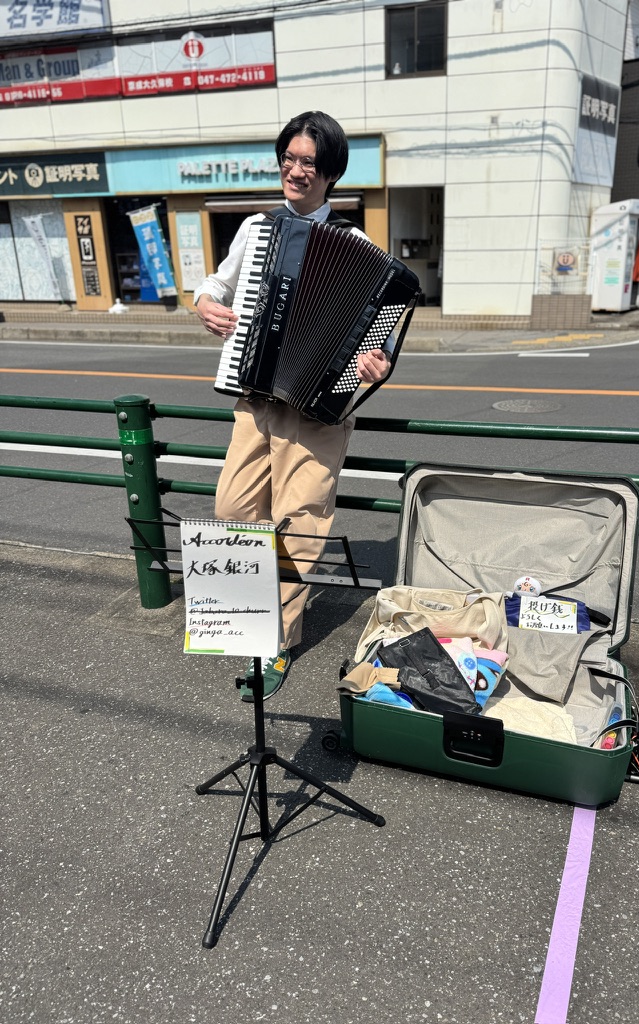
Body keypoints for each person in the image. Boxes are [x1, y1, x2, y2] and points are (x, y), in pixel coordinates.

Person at [194, 111, 393, 699]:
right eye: (289, 157)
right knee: (234, 510)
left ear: (329, 173)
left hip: (315, 413)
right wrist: (203, 303)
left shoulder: (357, 248)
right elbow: (216, 284)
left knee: (299, 526)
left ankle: (276, 641)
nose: (295, 169)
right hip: (255, 400)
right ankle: (241, 616)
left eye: (309, 162)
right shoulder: (255, 230)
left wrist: (372, 365)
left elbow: (374, 341)